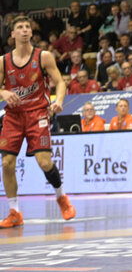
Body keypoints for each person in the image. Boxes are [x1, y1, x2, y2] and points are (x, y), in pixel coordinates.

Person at [0, 16, 76, 227]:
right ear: (12, 34)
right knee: (6, 163)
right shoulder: (3, 61)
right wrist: (4, 92)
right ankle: (14, 211)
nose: (24, 30)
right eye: (19, 27)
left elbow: (60, 82)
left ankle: (61, 196)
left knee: (43, 161)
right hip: (13, 117)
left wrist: (59, 100)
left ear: (31, 33)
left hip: (37, 114)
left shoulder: (43, 57)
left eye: (27, 27)